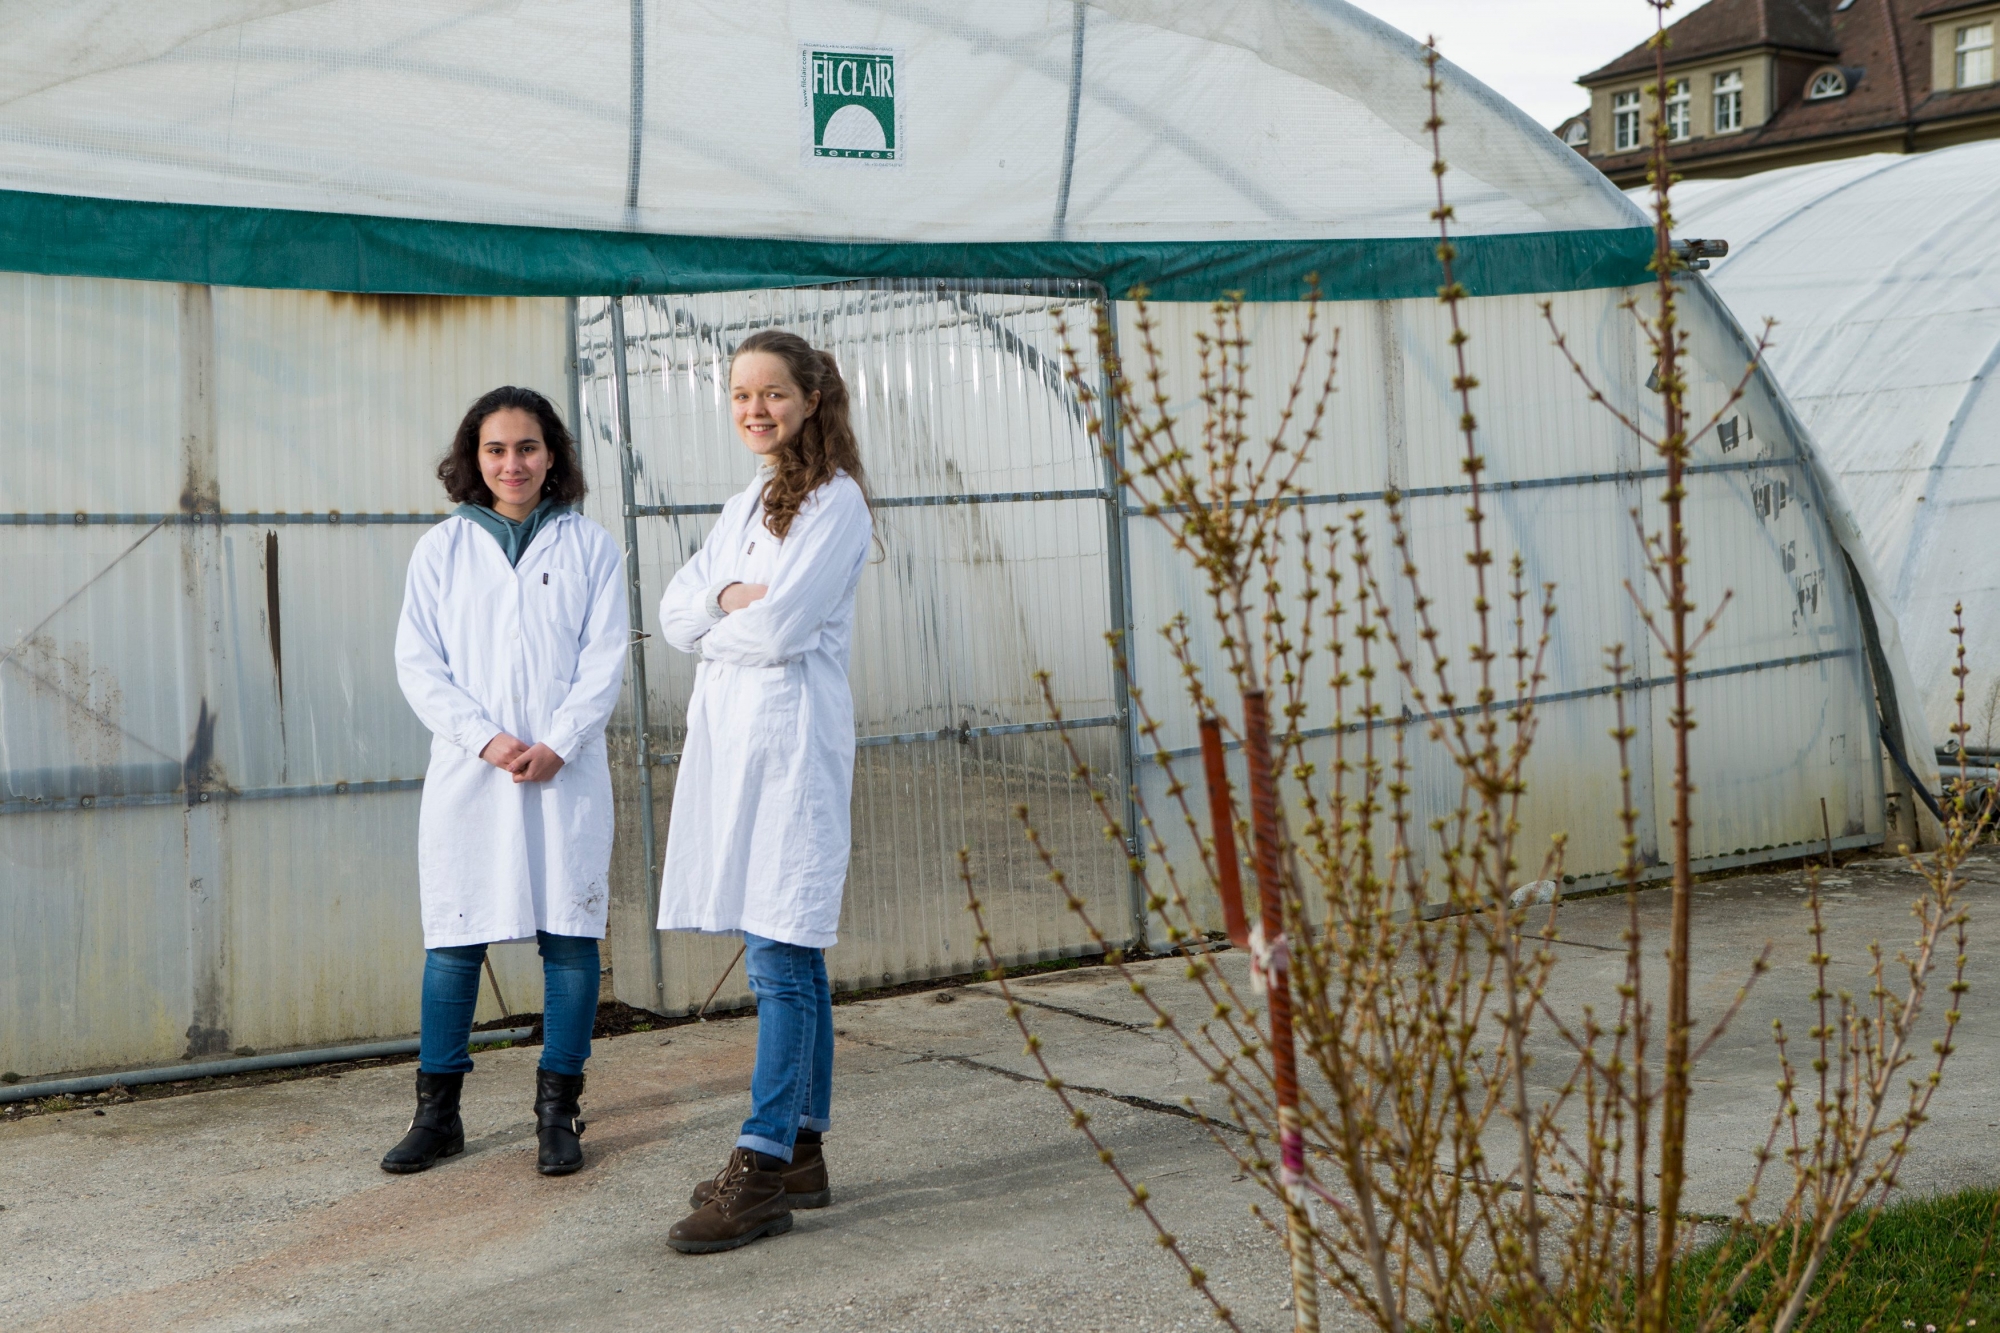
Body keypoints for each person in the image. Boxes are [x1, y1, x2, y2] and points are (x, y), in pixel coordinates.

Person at [654, 330, 873, 1254]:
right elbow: (672, 612)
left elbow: (780, 628)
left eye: (772, 393)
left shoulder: (837, 504)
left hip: (790, 750)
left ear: (811, 398)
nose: (754, 409)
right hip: (737, 748)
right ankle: (803, 1151)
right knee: (788, 952)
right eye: (741, 394)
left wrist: (730, 608)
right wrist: (720, 605)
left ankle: (760, 1164)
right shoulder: (747, 500)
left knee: (782, 955)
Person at [385, 385, 628, 1178]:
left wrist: (559, 741)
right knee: (455, 940)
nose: (512, 462)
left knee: (570, 935)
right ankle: (438, 1113)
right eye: (496, 449)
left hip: (566, 773)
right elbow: (419, 666)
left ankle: (558, 1114)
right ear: (473, 457)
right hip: (473, 774)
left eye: (527, 447)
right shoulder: (442, 549)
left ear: (552, 453)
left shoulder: (590, 546)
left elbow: (605, 659)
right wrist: (488, 741)